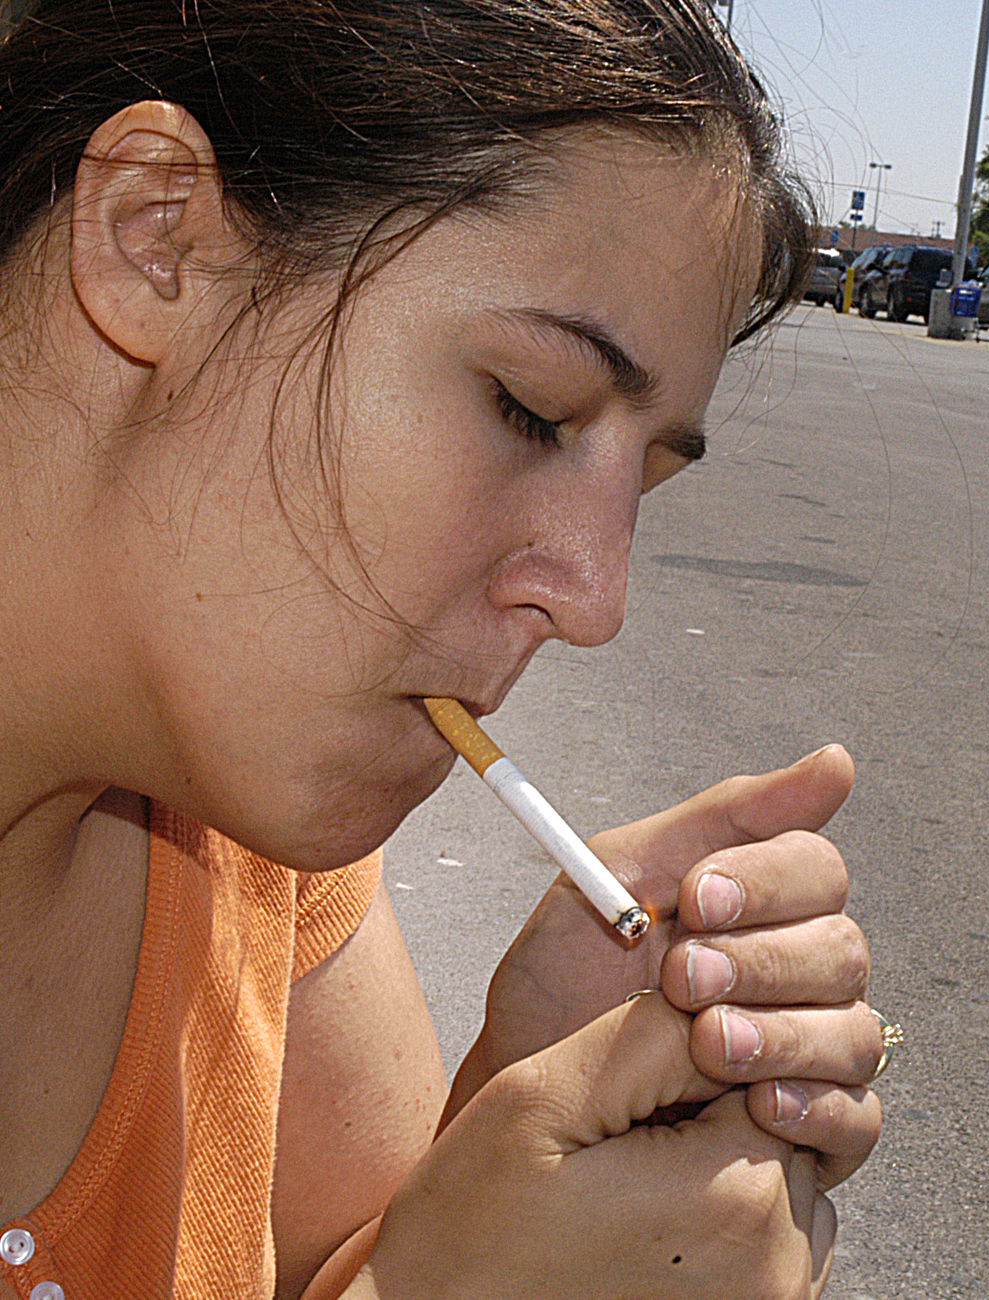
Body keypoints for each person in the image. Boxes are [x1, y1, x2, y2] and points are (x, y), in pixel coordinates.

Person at [0, 2, 887, 1297]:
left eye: (645, 477)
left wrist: (514, 1124)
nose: (595, 599)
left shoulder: (232, 817)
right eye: (528, 408)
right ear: (157, 239)